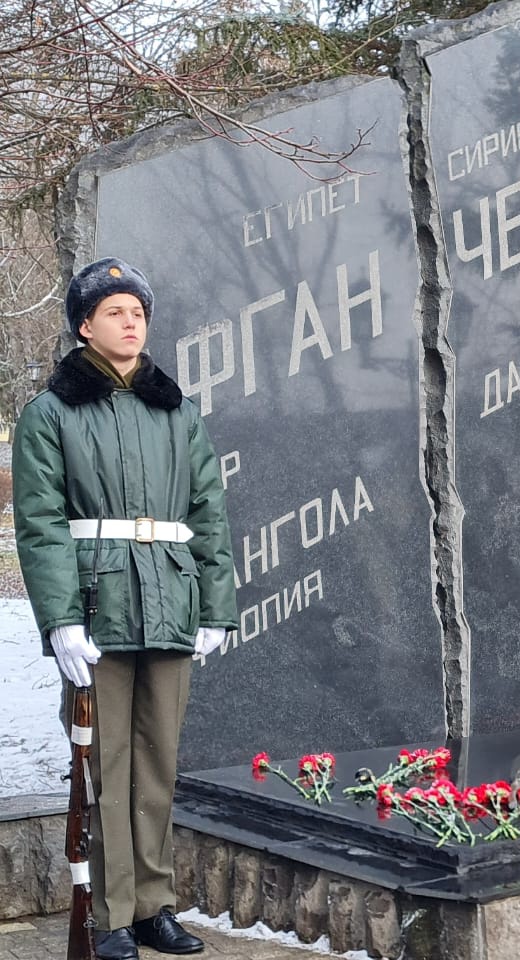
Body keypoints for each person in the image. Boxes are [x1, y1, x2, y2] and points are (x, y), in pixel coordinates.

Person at [12, 258, 238, 960]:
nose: (132, 320)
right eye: (115, 310)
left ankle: (152, 907)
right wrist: (59, 619)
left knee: (157, 761)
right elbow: (41, 522)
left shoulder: (176, 410)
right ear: (85, 325)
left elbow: (208, 512)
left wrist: (215, 606)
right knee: (106, 763)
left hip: (170, 598)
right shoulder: (51, 414)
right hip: (96, 602)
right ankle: (108, 919)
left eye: (138, 310)